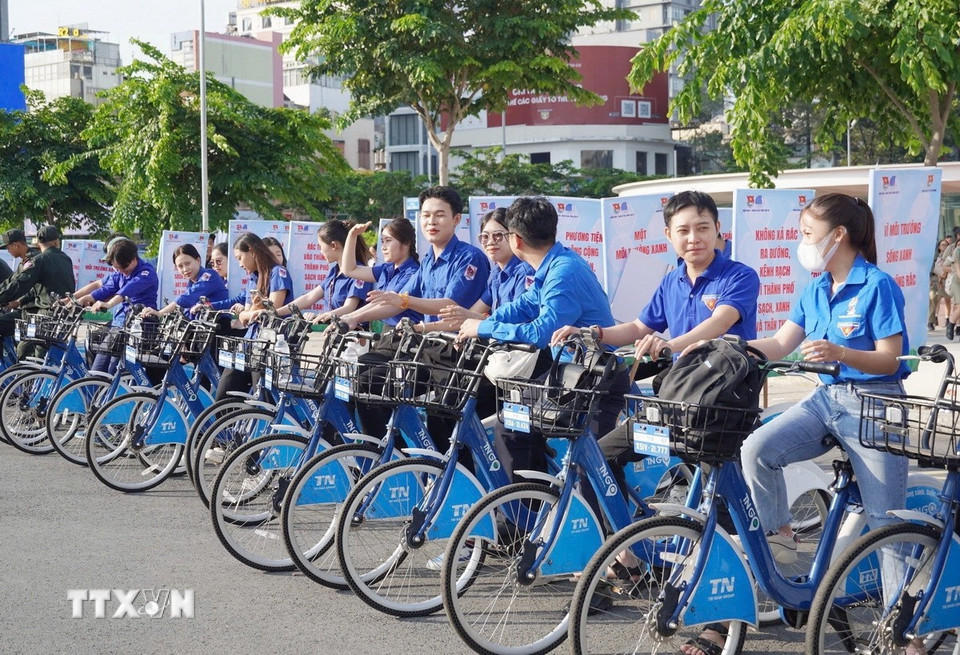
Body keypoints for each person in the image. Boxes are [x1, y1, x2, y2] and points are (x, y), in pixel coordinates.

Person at [736, 194, 912, 652]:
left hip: (876, 407)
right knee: (757, 449)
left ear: (839, 235)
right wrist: (730, 347)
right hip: (825, 402)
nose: (801, 242)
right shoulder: (814, 288)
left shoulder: (877, 285)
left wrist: (841, 353)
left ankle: (904, 634)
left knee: (885, 523)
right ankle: (782, 543)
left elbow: (890, 358)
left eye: (807, 233)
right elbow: (779, 343)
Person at [552, 190, 760, 497]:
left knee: (719, 499)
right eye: (683, 230)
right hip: (678, 401)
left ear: (718, 228)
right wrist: (594, 332)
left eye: (703, 227)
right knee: (601, 458)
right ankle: (625, 543)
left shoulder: (739, 276)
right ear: (669, 235)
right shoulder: (671, 281)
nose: (694, 238)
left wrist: (668, 345)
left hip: (720, 406)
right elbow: (639, 327)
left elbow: (718, 323)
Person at [458, 196, 626, 479]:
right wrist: (481, 322)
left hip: (597, 380)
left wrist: (483, 329)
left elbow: (540, 333)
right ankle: (527, 509)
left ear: (516, 240)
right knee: (511, 423)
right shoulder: (553, 264)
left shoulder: (563, 272)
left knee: (591, 470)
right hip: (573, 377)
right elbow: (525, 304)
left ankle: (607, 522)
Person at [337, 186, 490, 330]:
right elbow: (396, 302)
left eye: (440, 215)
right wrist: (353, 318)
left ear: (456, 219)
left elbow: (451, 305)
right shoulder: (429, 260)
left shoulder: (470, 258)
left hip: (455, 346)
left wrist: (404, 301)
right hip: (428, 342)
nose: (431, 222)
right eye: (426, 215)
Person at [205, 232, 294, 400]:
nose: (239, 264)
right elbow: (244, 317)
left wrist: (254, 310)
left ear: (252, 251)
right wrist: (255, 309)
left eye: (240, 258)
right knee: (224, 395)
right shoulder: (253, 278)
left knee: (264, 399)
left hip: (270, 345)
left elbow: (272, 309)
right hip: (249, 342)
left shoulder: (278, 272)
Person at [435, 207, 534, 330]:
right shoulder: (496, 274)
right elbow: (471, 314)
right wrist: (422, 328)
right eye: (485, 237)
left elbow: (520, 320)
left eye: (498, 235)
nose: (490, 242)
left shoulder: (526, 272)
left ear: (514, 237)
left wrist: (474, 320)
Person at [73, 238, 160, 374]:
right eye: (116, 267)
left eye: (122, 267)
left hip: (138, 328)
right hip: (119, 326)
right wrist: (80, 300)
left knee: (110, 371)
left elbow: (127, 291)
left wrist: (109, 304)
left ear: (133, 260)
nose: (120, 271)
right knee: (97, 368)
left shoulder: (146, 273)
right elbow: (104, 289)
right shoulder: (119, 272)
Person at [0, 226, 75, 357]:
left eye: (8, 247)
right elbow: (14, 282)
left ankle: (31, 376)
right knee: (25, 350)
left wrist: (13, 300)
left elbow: (20, 285)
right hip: (62, 313)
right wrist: (18, 301)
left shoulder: (38, 260)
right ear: (57, 242)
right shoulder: (66, 258)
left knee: (32, 353)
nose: (7, 250)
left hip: (44, 313)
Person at [276, 220, 372, 323]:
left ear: (334, 245)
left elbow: (349, 307)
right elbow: (309, 298)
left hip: (352, 335)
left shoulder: (360, 273)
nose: (320, 251)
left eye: (321, 247)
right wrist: (275, 312)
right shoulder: (334, 272)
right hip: (333, 333)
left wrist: (325, 316)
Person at [338, 217, 422, 327]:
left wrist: (353, 317)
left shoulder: (412, 273)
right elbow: (349, 269)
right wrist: (352, 236)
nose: (383, 247)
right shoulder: (387, 269)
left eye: (388, 241)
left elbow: (387, 303)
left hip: (405, 334)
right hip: (388, 331)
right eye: (382, 241)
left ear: (406, 243)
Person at [141, 244, 228, 318]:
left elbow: (188, 297)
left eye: (187, 264)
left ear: (198, 260)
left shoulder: (209, 275)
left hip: (220, 328)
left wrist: (160, 313)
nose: (185, 269)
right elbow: (187, 311)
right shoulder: (191, 283)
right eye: (180, 266)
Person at [928, 236, 951, 330]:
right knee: (933, 298)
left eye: (946, 245)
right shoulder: (934, 257)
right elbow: (930, 268)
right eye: (942, 245)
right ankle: (931, 322)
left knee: (947, 300)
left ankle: (949, 320)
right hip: (934, 280)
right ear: (939, 247)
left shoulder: (950, 257)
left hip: (946, 280)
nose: (944, 247)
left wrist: (944, 275)